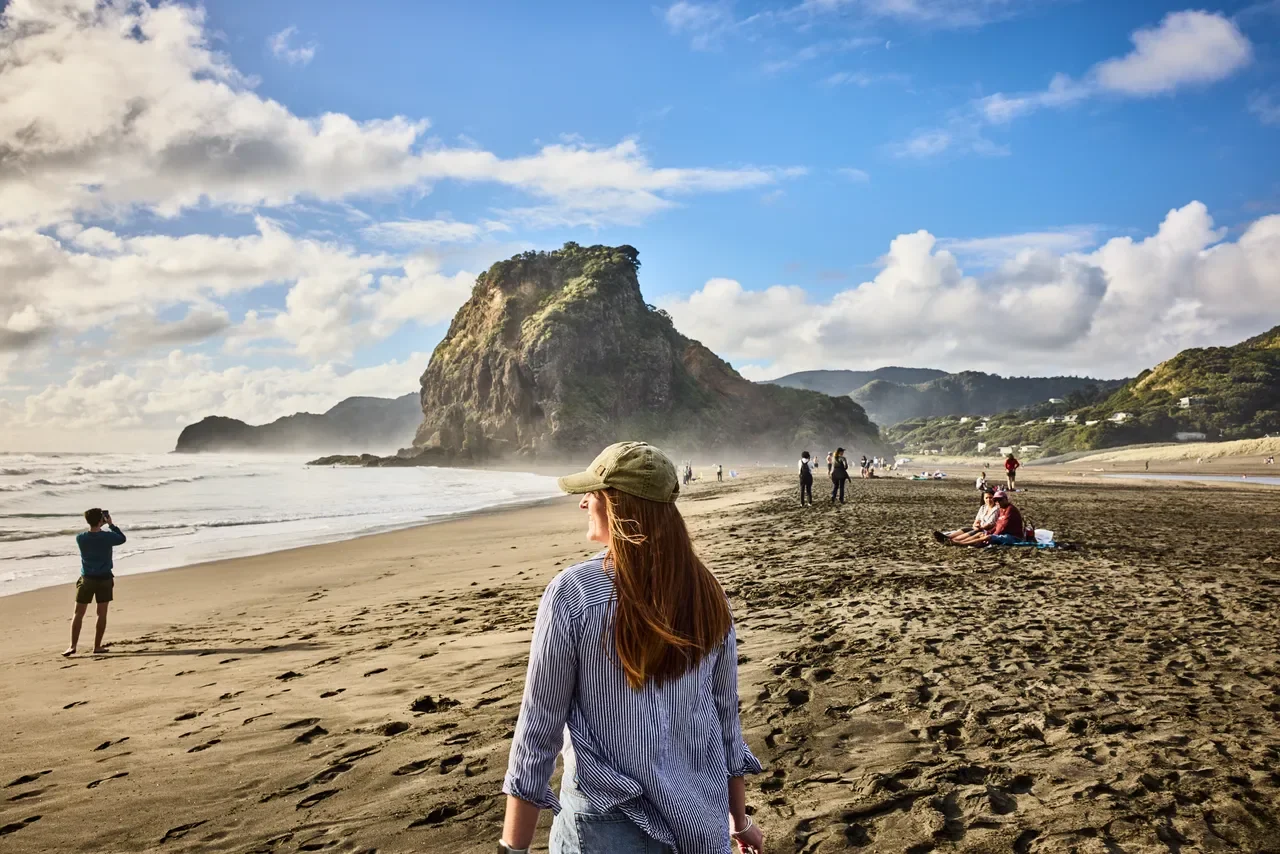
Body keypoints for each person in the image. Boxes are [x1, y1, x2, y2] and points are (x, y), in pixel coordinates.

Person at [501, 442, 764, 854]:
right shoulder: (708, 593)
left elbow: (538, 731)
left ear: (619, 505)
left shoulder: (573, 595)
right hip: (699, 822)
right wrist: (738, 819)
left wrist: (512, 849)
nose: (584, 503)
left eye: (594, 494)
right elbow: (725, 720)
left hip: (604, 826)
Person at [64, 508, 126, 656]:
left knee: (78, 613)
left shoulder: (81, 538)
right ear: (101, 520)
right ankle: (97, 646)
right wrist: (111, 524)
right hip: (104, 578)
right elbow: (122, 538)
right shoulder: (107, 537)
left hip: (87, 579)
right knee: (101, 613)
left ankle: (72, 646)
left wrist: (99, 524)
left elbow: (94, 536)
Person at [942, 489, 1024, 547]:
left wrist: (990, 534)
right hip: (995, 531)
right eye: (996, 500)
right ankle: (956, 540)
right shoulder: (997, 509)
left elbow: (1002, 526)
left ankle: (961, 543)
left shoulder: (1009, 509)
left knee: (986, 536)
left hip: (1013, 536)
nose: (998, 502)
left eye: (1000, 500)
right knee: (978, 532)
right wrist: (985, 530)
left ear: (1006, 499)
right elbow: (997, 525)